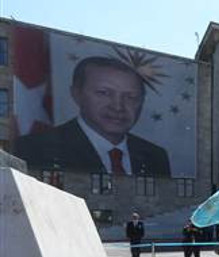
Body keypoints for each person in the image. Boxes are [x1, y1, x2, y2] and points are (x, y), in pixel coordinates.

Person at [13, 56, 171, 177]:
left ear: (142, 102)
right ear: (76, 94)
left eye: (131, 97)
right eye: (104, 93)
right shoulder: (34, 148)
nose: (118, 106)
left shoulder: (155, 156)